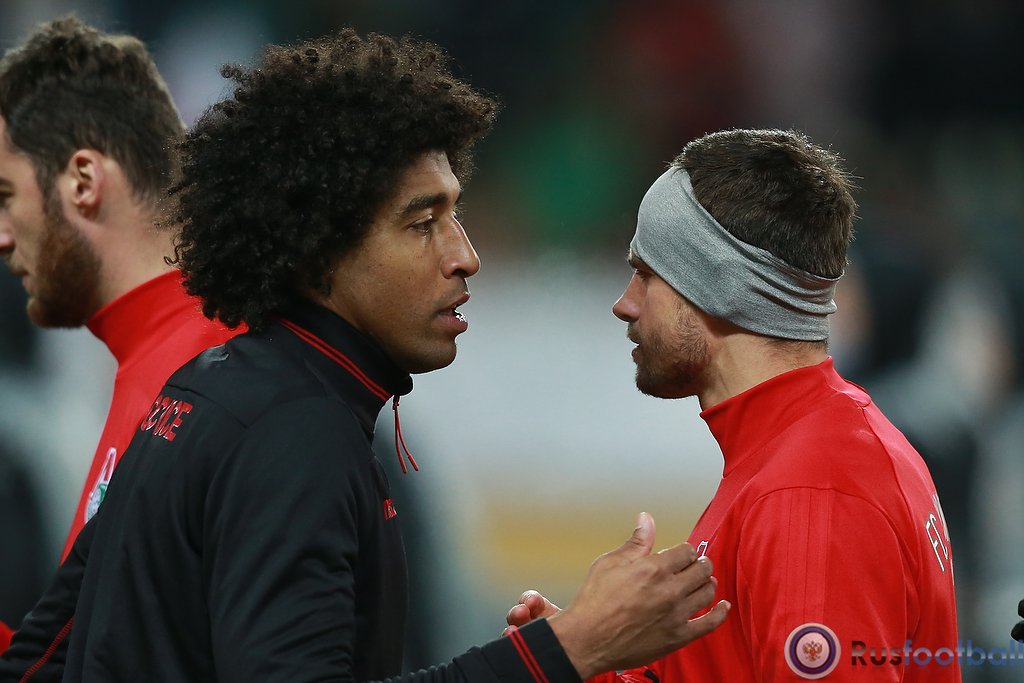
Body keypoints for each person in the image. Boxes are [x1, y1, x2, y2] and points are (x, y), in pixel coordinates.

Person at [1, 28, 729, 682]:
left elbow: (40, 657)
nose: (465, 256)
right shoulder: (297, 434)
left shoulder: (206, 387)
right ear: (321, 246)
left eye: (455, 213)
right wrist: (568, 646)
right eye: (423, 222)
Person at [507, 129, 960, 681]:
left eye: (647, 275)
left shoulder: (810, 492)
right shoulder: (816, 449)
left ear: (718, 288)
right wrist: (589, 662)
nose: (625, 304)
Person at [0, 16, 240, 648]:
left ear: (84, 182)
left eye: (5, 196)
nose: (1, 236)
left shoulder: (221, 375)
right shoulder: (162, 360)